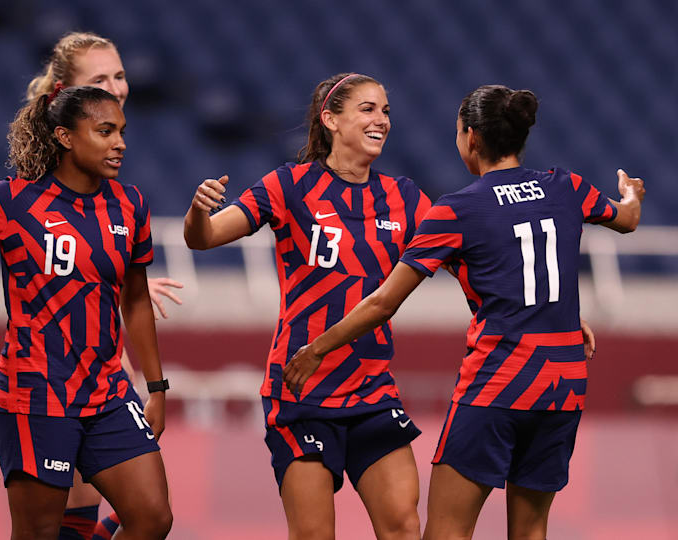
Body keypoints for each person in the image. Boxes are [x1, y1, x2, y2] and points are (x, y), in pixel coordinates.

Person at [285, 85, 644, 540]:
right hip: (563, 384)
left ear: (471, 138)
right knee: (532, 529)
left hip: (499, 381)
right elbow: (626, 219)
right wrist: (631, 195)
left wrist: (318, 348)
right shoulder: (566, 186)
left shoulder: (459, 209)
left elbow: (383, 301)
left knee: (446, 533)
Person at [0, 85, 173, 539]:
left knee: (153, 517)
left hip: (107, 391)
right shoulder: (13, 201)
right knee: (38, 533)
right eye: (105, 131)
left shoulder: (131, 205)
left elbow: (135, 300)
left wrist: (156, 387)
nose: (120, 143)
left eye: (122, 132)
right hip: (35, 394)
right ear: (65, 137)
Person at [184, 73, 430, 539]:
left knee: (402, 524)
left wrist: (549, 317)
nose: (381, 120)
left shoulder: (407, 198)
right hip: (301, 391)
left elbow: (474, 268)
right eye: (368, 109)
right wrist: (199, 211)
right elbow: (205, 238)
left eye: (386, 111)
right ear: (330, 119)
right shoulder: (289, 186)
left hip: (371, 391)